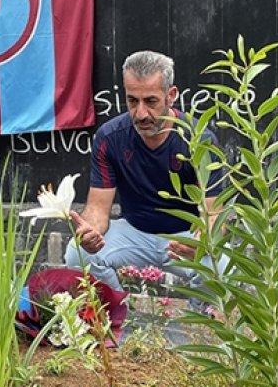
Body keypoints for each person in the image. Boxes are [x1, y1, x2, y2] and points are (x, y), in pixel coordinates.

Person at [65, 50, 223, 298]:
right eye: (132, 101)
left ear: (170, 96)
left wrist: (203, 244)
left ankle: (202, 325)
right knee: (77, 253)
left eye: (150, 101)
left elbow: (214, 215)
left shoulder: (198, 140)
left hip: (184, 237)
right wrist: (89, 233)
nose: (140, 113)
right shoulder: (109, 137)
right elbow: (97, 209)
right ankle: (114, 318)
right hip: (134, 231)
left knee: (220, 267)